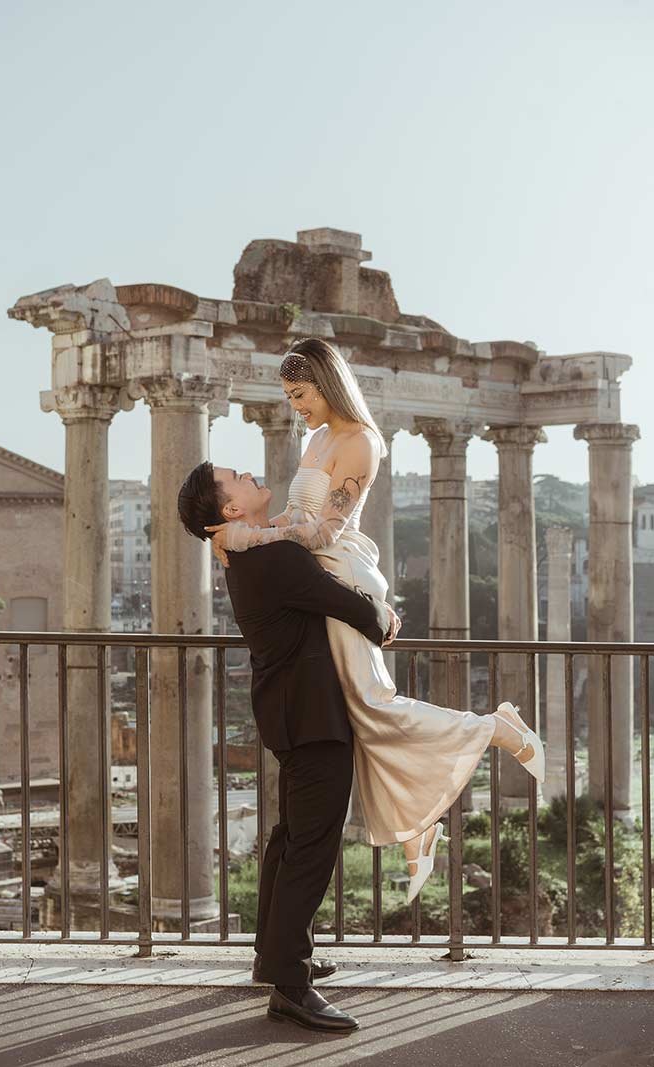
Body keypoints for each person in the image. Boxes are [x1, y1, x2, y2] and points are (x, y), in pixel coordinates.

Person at [204, 337, 546, 903]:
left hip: (342, 571)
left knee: (373, 706)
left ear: (327, 383)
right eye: (289, 396)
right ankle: (418, 828)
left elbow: (324, 530)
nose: (296, 406)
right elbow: (296, 514)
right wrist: (243, 537)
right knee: (363, 717)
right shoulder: (316, 439)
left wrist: (248, 536)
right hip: (318, 574)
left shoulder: (362, 442)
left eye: (301, 392)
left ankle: (496, 729)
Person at [179, 461, 396, 1034]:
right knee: (312, 846)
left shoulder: (251, 551)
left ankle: (274, 956)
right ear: (229, 509)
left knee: (290, 838)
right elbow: (345, 603)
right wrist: (383, 616)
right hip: (311, 716)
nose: (249, 473)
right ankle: (290, 987)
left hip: (290, 712)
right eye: (236, 476)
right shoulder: (270, 556)